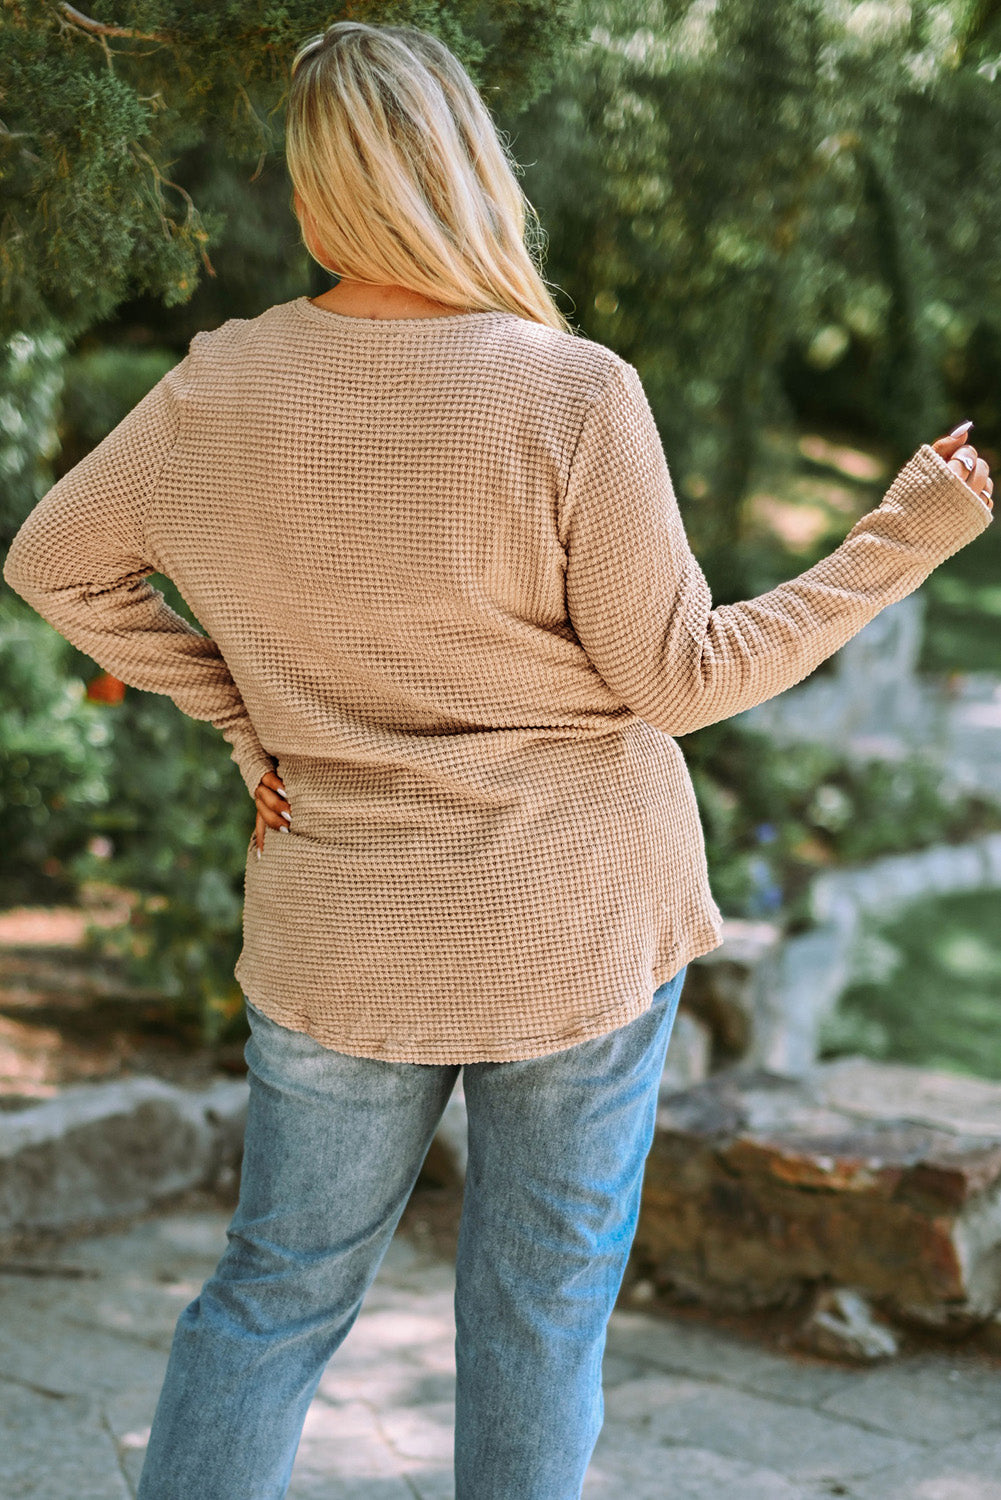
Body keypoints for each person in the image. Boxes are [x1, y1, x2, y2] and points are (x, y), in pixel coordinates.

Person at [2, 20, 994, 1500]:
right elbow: (681, 680)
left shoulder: (217, 388)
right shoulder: (567, 390)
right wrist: (896, 539)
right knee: (536, 1316)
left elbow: (53, 564)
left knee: (269, 1296)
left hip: (341, 922)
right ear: (469, 169)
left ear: (311, 186)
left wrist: (242, 717)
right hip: (574, 919)